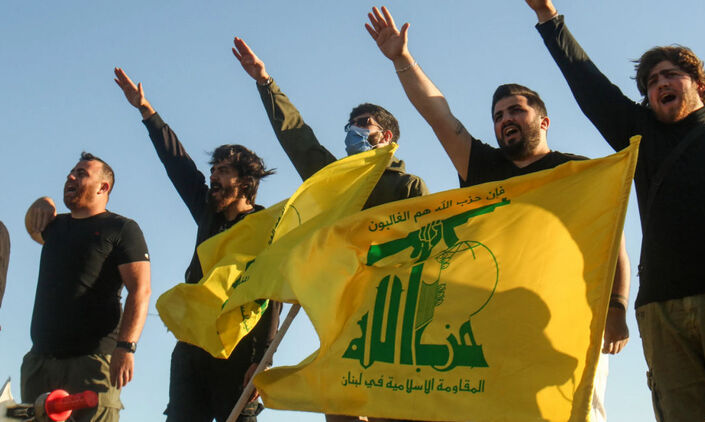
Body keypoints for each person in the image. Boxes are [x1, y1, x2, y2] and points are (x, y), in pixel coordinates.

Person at [365, 6, 631, 421]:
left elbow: (612, 242)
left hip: (570, 320)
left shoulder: (576, 171)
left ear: (543, 120)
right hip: (497, 322)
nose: (506, 119)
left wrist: (616, 307)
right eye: (498, 115)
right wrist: (402, 59)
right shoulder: (483, 168)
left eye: (515, 111)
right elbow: (438, 116)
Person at [524, 1, 705, 420]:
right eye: (651, 81)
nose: (660, 83)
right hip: (662, 311)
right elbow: (588, 83)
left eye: (670, 75)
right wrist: (547, 17)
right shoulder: (642, 138)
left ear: (700, 85)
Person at [232, 37, 428, 422]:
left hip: (390, 319)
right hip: (338, 316)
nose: (353, 131)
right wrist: (266, 83)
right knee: (339, 407)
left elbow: (421, 251)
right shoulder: (337, 181)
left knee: (389, 409)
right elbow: (299, 138)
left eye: (363, 124)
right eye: (350, 125)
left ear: (386, 136)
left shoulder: (407, 186)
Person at [114, 68, 282, 422]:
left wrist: (263, 359)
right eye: (213, 169)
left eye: (223, 170)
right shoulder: (208, 213)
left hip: (237, 351)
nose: (213, 176)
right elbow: (178, 163)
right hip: (192, 347)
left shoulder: (266, 227)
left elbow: (271, 297)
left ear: (245, 182)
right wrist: (147, 111)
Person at [22, 152, 151, 422]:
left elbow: (140, 289)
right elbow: (33, 225)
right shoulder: (55, 227)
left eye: (81, 174)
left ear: (103, 187)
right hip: (40, 362)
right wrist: (42, 202)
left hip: (93, 363)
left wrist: (126, 347)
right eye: (71, 172)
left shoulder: (121, 229)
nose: (70, 177)